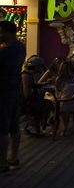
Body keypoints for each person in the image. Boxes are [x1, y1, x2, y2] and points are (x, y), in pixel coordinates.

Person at [0, 21, 27, 174]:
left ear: (8, 32)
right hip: (15, 90)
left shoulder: (4, 53)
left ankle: (2, 163)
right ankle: (13, 158)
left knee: (2, 129)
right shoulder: (21, 48)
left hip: (3, 93)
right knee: (14, 126)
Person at [21, 55, 51, 137]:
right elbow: (27, 94)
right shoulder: (26, 76)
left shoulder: (29, 74)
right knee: (46, 105)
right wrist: (36, 96)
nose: (42, 68)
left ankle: (32, 126)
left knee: (46, 103)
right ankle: (33, 127)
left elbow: (32, 85)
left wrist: (41, 84)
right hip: (23, 103)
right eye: (40, 66)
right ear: (37, 66)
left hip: (26, 101)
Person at [54, 61, 74, 135]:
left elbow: (58, 93)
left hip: (65, 105)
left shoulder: (60, 79)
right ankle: (73, 128)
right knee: (64, 103)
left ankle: (62, 128)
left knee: (54, 105)